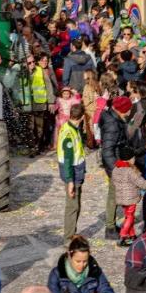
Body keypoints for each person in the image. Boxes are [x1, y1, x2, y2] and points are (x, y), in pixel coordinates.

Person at [99, 95, 133, 239]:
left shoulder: (112, 118)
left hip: (117, 161)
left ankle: (111, 224)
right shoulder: (113, 124)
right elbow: (107, 150)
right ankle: (110, 228)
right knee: (113, 195)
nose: (130, 112)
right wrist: (115, 169)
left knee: (114, 194)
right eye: (128, 110)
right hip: (114, 164)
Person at [58, 103, 87, 241]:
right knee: (72, 206)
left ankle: (72, 233)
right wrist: (70, 181)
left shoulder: (71, 127)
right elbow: (68, 159)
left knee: (76, 205)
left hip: (76, 172)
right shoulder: (69, 133)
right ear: (82, 117)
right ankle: (68, 238)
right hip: (72, 173)